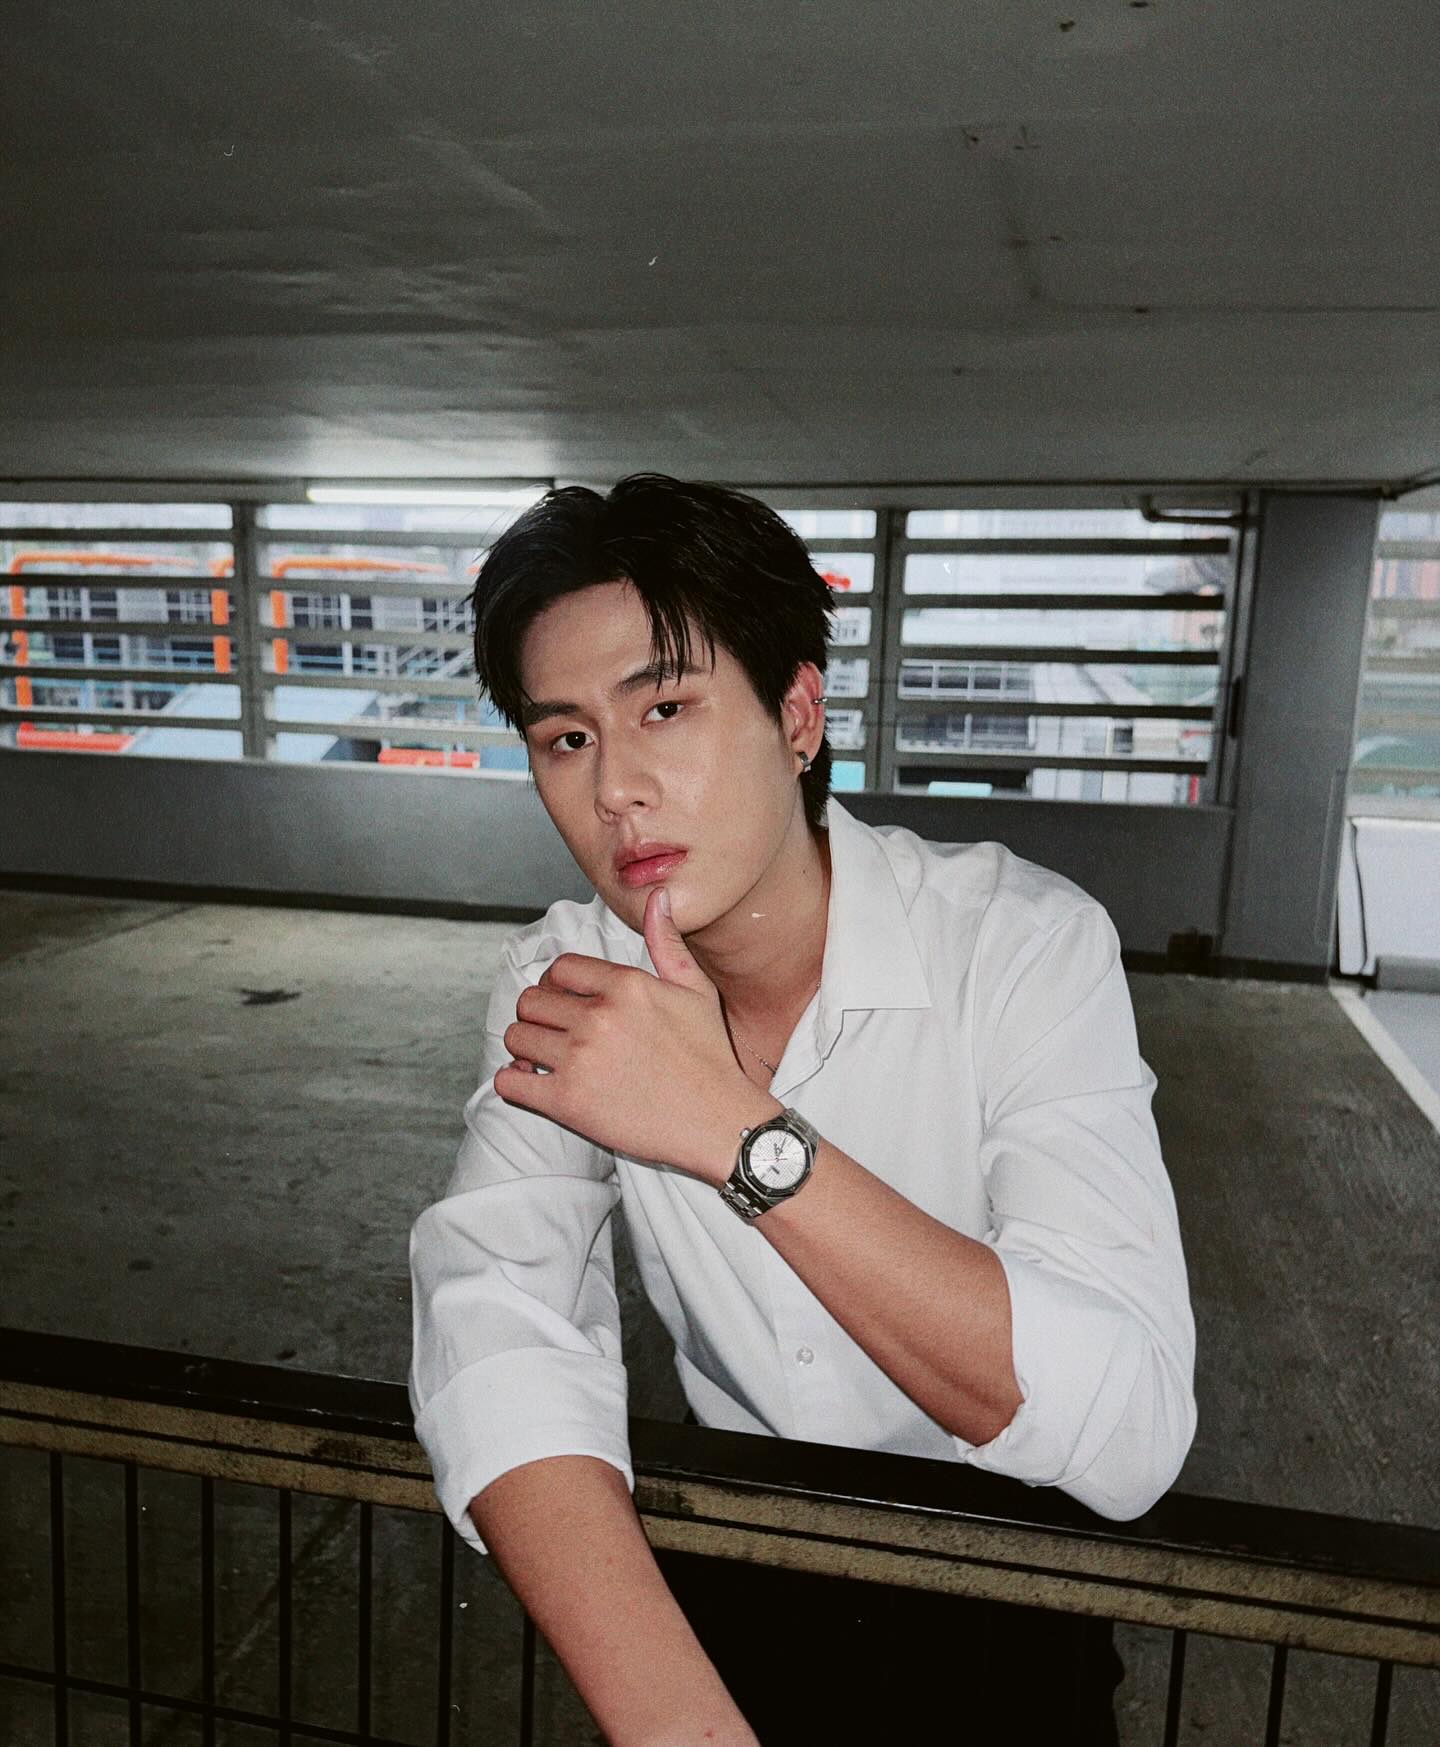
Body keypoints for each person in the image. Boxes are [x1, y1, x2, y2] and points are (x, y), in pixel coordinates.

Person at [409, 474, 1197, 1746]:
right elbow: (498, 1331)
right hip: (740, 1567)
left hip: (1008, 1579)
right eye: (566, 739)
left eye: (664, 707)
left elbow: (1131, 1431)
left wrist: (736, 1132)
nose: (615, 790)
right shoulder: (570, 977)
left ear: (797, 714)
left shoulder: (1019, 944)